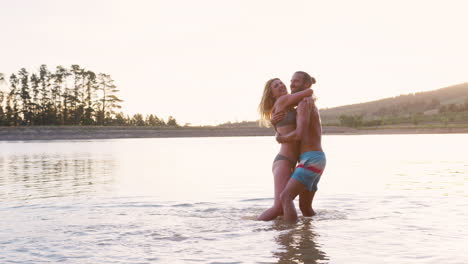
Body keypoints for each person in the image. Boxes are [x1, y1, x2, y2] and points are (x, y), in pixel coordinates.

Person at [256, 74, 314, 221]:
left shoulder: (287, 105)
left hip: (291, 161)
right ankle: (254, 227)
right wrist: (309, 84)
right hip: (284, 161)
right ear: (272, 95)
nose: (281, 86)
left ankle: (285, 233)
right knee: (279, 206)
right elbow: (309, 92)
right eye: (276, 86)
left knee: (284, 207)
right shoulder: (283, 101)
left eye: (281, 83)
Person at [276, 72, 325, 222]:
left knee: (285, 197)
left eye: (296, 81)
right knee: (305, 208)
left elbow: (299, 134)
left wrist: (281, 138)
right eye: (291, 81)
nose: (291, 84)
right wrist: (274, 122)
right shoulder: (307, 103)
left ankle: (289, 236)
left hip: (310, 159)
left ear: (306, 85)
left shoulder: (304, 104)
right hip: (316, 159)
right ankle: (308, 237)